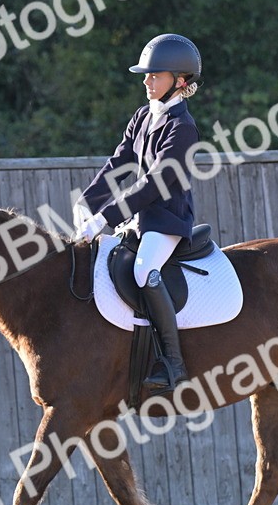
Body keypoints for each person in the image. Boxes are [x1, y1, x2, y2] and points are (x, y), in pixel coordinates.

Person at [72, 33, 203, 393]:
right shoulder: (144, 116)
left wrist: (105, 218)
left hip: (166, 221)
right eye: (146, 75)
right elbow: (119, 164)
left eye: (154, 75)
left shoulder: (183, 128)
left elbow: (154, 184)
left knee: (145, 271)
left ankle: (173, 364)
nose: (146, 81)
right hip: (138, 222)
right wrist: (86, 203)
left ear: (179, 81)